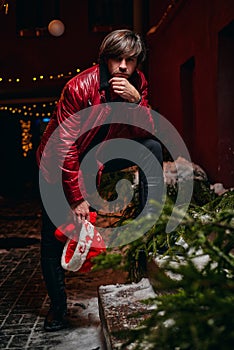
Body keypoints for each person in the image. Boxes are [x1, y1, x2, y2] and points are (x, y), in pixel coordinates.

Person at [36, 29, 163, 332]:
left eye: (130, 60)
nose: (123, 66)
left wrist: (137, 103)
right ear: (105, 59)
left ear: (137, 63)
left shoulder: (139, 84)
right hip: (58, 163)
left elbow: (144, 134)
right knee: (53, 236)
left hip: (98, 157)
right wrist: (77, 197)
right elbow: (63, 145)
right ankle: (57, 308)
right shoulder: (79, 87)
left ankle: (151, 215)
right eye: (116, 59)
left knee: (152, 149)